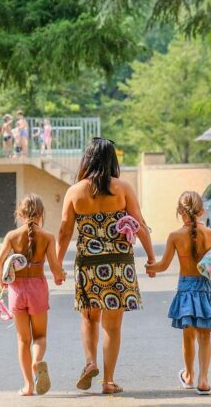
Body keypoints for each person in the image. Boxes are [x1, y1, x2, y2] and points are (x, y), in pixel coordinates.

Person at [56, 137, 156, 395]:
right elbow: (140, 224)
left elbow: (65, 231)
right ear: (112, 160)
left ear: (87, 159)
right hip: (119, 265)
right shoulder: (122, 188)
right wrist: (152, 259)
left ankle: (90, 362)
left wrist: (57, 264)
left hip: (88, 265)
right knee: (112, 326)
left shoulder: (75, 191)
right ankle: (108, 381)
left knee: (89, 319)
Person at [145, 191, 211, 396]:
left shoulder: (175, 236)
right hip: (207, 288)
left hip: (186, 290)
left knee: (188, 335)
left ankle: (189, 375)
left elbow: (163, 265)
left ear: (179, 211)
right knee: (205, 335)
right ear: (202, 211)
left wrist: (151, 268)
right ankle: (204, 379)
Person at [0, 194, 67, 396]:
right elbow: (55, 268)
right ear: (41, 214)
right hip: (37, 289)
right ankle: (37, 362)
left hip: (17, 290)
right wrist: (61, 276)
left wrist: (3, 282)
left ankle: (28, 386)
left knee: (23, 340)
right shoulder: (48, 238)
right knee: (40, 336)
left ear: (20, 213)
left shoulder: (11, 236)